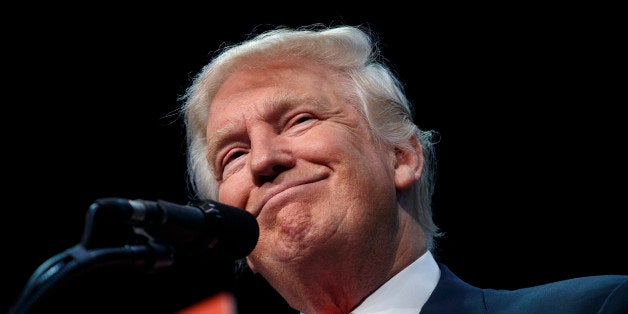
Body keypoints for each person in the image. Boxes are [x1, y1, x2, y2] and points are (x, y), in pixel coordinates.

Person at [179, 23, 628, 314]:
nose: (262, 160)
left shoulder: (600, 307)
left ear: (402, 156)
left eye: (299, 120)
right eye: (232, 156)